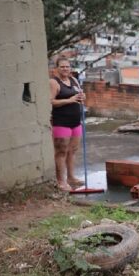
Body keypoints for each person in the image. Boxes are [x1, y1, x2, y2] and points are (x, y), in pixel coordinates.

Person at [50, 57, 85, 191]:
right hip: (61, 122)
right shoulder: (53, 82)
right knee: (61, 151)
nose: (65, 69)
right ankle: (61, 181)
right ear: (56, 68)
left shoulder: (74, 80)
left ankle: (71, 177)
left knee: (72, 151)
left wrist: (82, 97)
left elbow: (79, 94)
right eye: (62, 66)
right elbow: (51, 101)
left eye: (67, 66)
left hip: (76, 122)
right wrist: (69, 100)